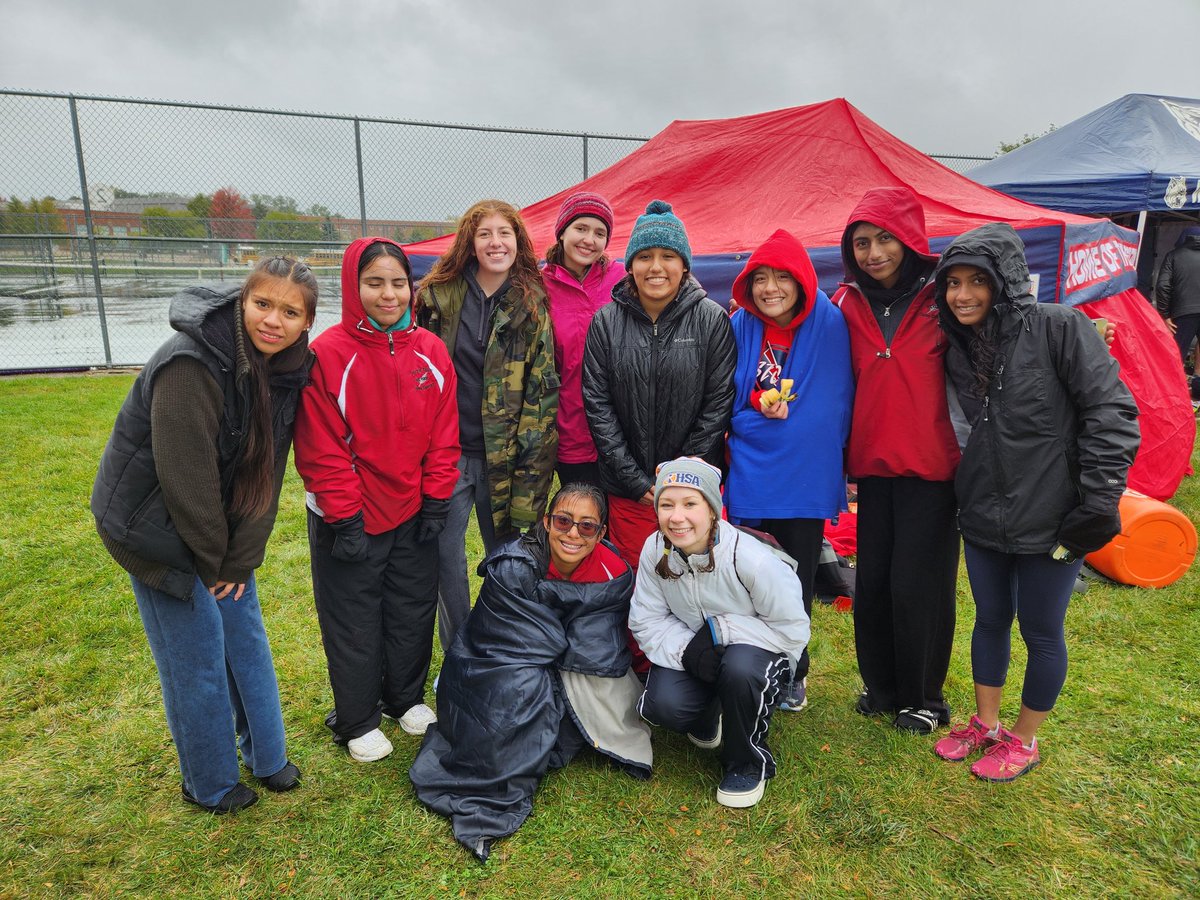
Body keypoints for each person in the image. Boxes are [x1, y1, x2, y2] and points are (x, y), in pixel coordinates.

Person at [91, 256, 316, 813]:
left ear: (306, 322)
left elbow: (266, 475)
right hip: (151, 527)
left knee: (244, 631)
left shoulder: (287, 367)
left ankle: (267, 758)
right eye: (262, 304)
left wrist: (238, 564)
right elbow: (185, 482)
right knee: (195, 656)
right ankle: (209, 783)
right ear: (242, 301)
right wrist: (212, 567)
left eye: (290, 312)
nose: (273, 320)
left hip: (214, 520)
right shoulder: (188, 363)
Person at [930, 223, 1139, 781]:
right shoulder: (957, 345)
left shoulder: (1059, 327)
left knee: (1041, 630)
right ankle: (986, 724)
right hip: (982, 512)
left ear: (1009, 282)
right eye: (953, 282)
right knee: (990, 620)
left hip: (1053, 516)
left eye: (978, 280)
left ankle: (1025, 739)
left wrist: (1097, 501)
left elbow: (1111, 413)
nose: (963, 294)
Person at [409, 483, 651, 861]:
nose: (573, 533)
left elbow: (599, 645)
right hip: (497, 663)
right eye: (563, 521)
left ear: (602, 533)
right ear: (546, 521)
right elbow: (499, 635)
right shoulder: (512, 566)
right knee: (517, 692)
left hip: (572, 670)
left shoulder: (613, 571)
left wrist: (553, 636)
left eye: (587, 527)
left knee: (584, 707)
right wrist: (556, 638)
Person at [294, 237, 459, 763]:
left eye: (397, 283)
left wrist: (436, 499)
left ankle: (404, 697)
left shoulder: (430, 351)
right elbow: (321, 448)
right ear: (353, 285)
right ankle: (357, 717)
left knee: (411, 609)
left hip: (414, 510)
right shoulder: (328, 354)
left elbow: (443, 434)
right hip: (353, 517)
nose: (388, 295)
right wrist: (344, 517)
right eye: (374, 283)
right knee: (354, 617)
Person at [832, 187, 961, 734]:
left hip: (934, 470)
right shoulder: (846, 303)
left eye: (885, 238)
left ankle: (924, 697)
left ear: (909, 239)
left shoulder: (943, 300)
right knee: (876, 582)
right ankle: (882, 687)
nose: (873, 252)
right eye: (861, 242)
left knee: (921, 585)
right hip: (873, 467)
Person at [417, 200, 559, 653]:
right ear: (470, 242)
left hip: (508, 460)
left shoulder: (533, 305)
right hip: (448, 456)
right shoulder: (437, 297)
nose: (495, 242)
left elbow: (541, 396)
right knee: (445, 560)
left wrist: (530, 477)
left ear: (518, 241)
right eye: (485, 234)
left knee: (510, 559)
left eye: (505, 233)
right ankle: (459, 652)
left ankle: (503, 652)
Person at [629, 457, 810, 808]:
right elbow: (645, 620)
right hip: (697, 645)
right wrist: (689, 651)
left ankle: (747, 761)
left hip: (755, 646)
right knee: (662, 705)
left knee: (741, 670)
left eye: (690, 504)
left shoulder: (750, 559)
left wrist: (720, 630)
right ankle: (709, 712)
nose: (676, 517)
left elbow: (791, 631)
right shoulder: (655, 549)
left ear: (713, 509)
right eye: (666, 504)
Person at [724, 229, 854, 712]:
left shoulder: (829, 324)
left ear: (801, 281)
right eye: (760, 278)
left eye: (782, 277)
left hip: (802, 474)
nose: (770, 288)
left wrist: (775, 423)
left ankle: (794, 669)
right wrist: (754, 415)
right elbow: (729, 396)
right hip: (751, 471)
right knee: (748, 574)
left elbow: (829, 405)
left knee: (796, 576)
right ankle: (752, 663)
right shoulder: (741, 325)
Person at [582, 200, 736, 573]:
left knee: (697, 580)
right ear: (630, 265)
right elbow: (598, 405)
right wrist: (636, 482)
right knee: (638, 584)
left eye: (668, 256)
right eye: (645, 256)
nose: (655, 267)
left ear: (684, 265)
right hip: (630, 492)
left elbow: (718, 404)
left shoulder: (711, 320)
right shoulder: (605, 322)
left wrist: (680, 478)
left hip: (692, 491)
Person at [542, 191, 624, 489]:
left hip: (622, 430)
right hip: (571, 431)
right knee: (582, 520)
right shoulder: (540, 287)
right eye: (581, 228)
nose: (589, 239)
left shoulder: (622, 278)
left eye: (599, 233)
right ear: (562, 231)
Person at [1155, 225, 1200, 369]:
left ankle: (1175, 388)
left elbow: (1163, 286)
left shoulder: (1174, 255)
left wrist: (1165, 314)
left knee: (1176, 354)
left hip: (1183, 312)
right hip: (1185, 310)